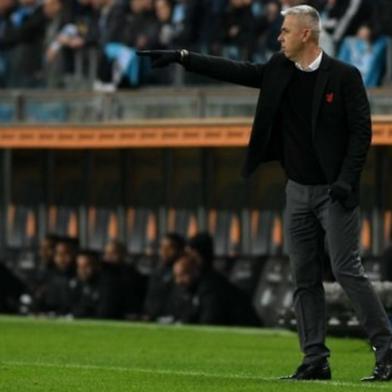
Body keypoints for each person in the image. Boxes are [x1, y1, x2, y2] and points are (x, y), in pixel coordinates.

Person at [137, 4, 392, 382]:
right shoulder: (278, 69)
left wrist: (346, 180)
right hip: (298, 192)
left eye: (286, 31)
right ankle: (314, 360)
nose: (279, 37)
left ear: (306, 34)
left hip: (334, 193)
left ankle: (387, 351)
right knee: (302, 276)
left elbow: (361, 134)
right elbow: (238, 70)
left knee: (345, 270)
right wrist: (184, 58)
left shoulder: (344, 76)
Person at [143, 232, 185, 321]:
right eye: (162, 247)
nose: (164, 251)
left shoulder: (186, 274)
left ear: (180, 250)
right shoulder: (157, 273)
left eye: (169, 248)